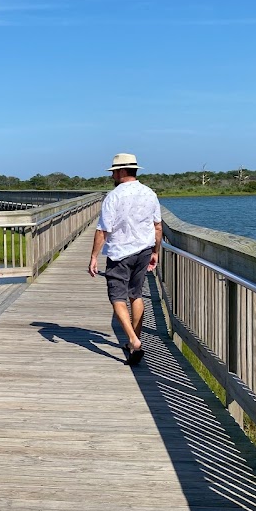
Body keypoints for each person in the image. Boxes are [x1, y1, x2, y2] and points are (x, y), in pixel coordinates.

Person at [87, 153, 162, 365]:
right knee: (136, 294)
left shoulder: (113, 196)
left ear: (120, 172)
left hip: (120, 252)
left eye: (114, 172)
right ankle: (134, 340)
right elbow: (158, 227)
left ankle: (133, 341)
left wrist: (93, 257)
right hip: (144, 250)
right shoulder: (150, 193)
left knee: (117, 297)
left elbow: (103, 230)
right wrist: (155, 252)